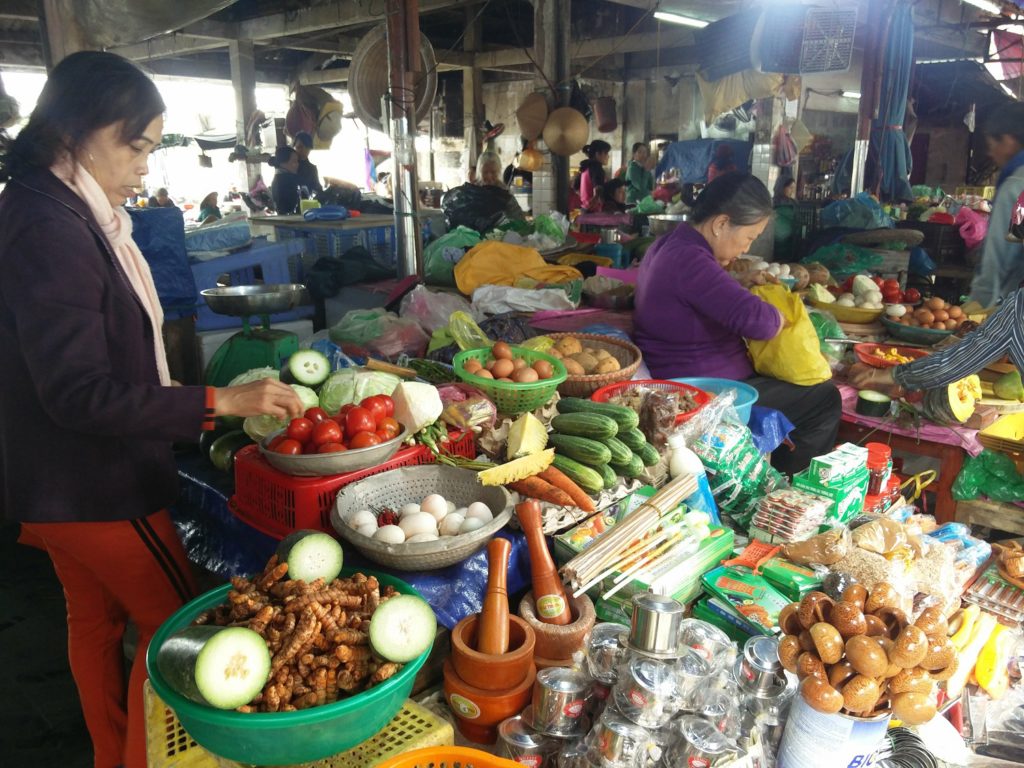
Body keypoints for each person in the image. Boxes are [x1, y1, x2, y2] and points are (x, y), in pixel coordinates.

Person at [0, 50, 304, 768]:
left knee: (94, 621)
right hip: (95, 484)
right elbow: (78, 392)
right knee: (174, 631)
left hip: (50, 486)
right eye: (135, 147)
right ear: (76, 130)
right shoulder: (52, 228)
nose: (144, 167)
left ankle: (112, 754)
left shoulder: (46, 205)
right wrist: (217, 400)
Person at [633, 173, 841, 475]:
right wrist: (779, 312)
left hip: (685, 375)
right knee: (824, 398)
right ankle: (790, 487)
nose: (746, 248)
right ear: (720, 224)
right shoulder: (692, 261)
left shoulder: (668, 245)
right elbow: (761, 324)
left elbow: (703, 293)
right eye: (749, 237)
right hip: (703, 390)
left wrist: (739, 282)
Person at [969, 102, 1024, 308]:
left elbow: (997, 261)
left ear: (1009, 141)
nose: (991, 154)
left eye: (992, 145)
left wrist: (975, 311)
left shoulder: (1016, 188)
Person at [577, 140, 611, 212]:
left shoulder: (586, 167)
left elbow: (575, 186)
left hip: (584, 209)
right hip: (593, 212)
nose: (608, 156)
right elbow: (598, 189)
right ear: (597, 154)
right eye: (606, 153)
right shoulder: (597, 168)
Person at [269, 145, 303, 215]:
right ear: (282, 164)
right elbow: (289, 207)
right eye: (294, 161)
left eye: (297, 161)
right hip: (288, 221)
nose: (297, 164)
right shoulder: (285, 180)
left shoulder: (280, 177)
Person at [292, 131, 323, 195]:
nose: (303, 150)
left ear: (310, 148)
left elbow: (317, 188)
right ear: (294, 147)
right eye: (299, 147)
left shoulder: (312, 168)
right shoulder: (289, 166)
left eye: (307, 147)